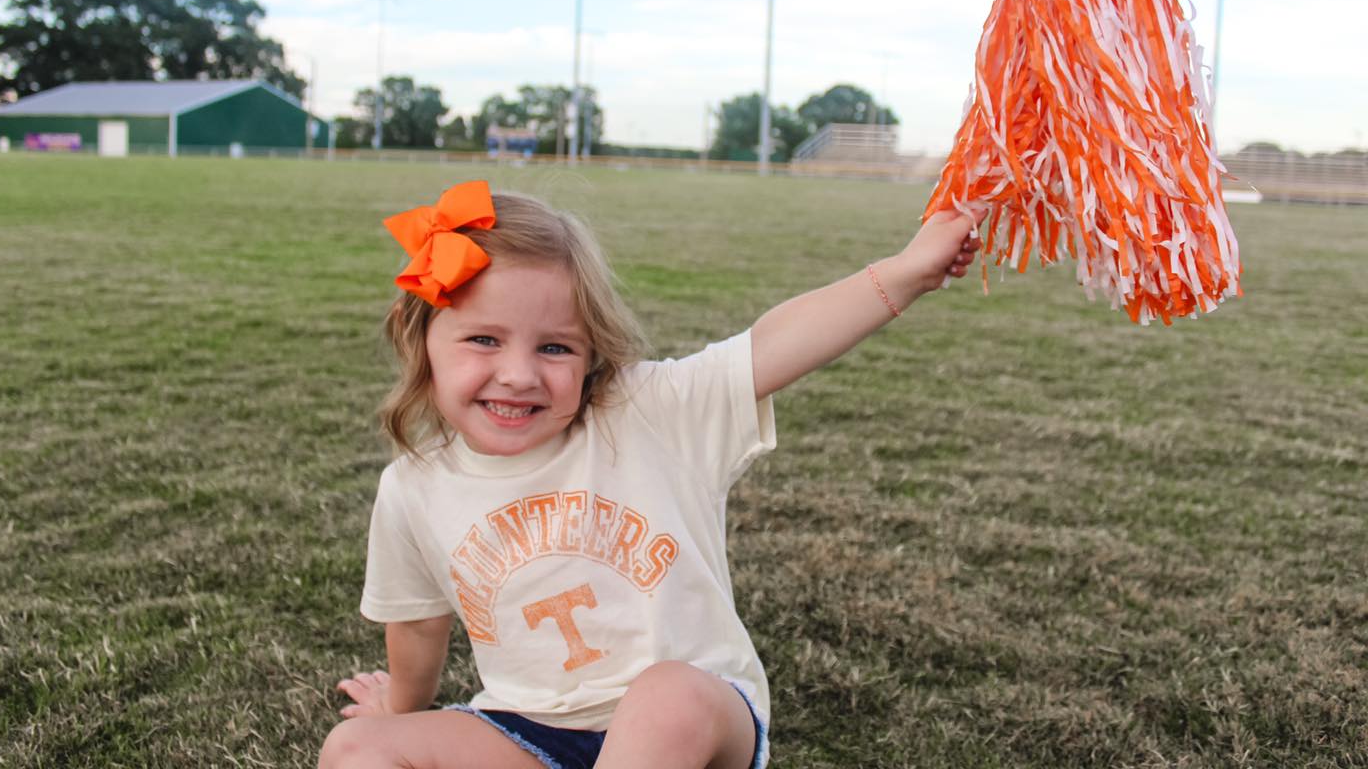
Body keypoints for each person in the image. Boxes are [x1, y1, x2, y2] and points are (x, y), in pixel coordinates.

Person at [320, 179, 983, 769]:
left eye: (554, 347)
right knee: (354, 751)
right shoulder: (412, 488)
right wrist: (399, 711)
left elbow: (774, 346)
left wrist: (906, 273)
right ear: (424, 341)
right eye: (483, 340)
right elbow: (415, 624)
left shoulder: (644, 413)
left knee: (666, 697)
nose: (519, 374)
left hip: (694, 723)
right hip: (526, 730)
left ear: (591, 353)